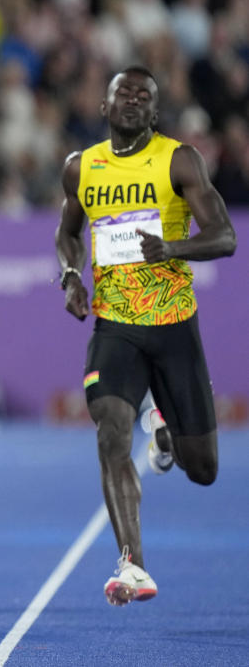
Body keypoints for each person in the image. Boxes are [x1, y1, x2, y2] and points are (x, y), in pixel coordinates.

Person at [55, 65, 236, 606]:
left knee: (201, 469)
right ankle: (132, 564)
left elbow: (224, 236)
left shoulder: (179, 159)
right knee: (110, 429)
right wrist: (69, 276)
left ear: (154, 112)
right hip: (115, 326)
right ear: (105, 107)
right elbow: (67, 233)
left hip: (174, 325)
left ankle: (161, 419)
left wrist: (173, 249)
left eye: (143, 95)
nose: (132, 99)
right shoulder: (81, 167)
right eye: (122, 93)